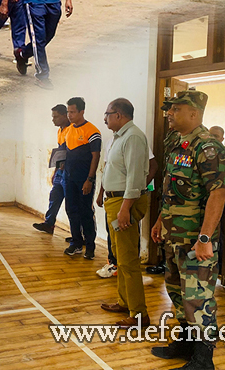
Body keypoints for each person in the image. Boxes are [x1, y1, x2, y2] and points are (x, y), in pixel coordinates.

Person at [150, 91, 225, 370]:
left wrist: (205, 239)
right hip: (173, 237)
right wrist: (160, 220)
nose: (170, 114)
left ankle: (204, 359)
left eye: (176, 109)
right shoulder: (177, 143)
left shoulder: (208, 148)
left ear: (194, 114)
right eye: (169, 109)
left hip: (196, 242)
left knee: (199, 299)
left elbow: (218, 194)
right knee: (177, 293)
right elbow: (172, 190)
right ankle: (185, 344)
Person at [98, 98, 151, 328]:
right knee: (120, 257)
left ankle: (139, 315)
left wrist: (125, 209)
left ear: (119, 115)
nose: (105, 118)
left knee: (129, 260)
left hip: (123, 202)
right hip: (115, 201)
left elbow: (135, 179)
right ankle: (124, 302)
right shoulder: (120, 137)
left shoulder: (133, 137)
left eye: (108, 114)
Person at [62, 97, 101, 259]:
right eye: (68, 112)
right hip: (68, 178)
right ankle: (76, 243)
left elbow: (95, 157)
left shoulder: (93, 132)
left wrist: (89, 180)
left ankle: (90, 247)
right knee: (71, 210)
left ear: (81, 111)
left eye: (72, 112)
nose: (69, 115)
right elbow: (65, 151)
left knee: (86, 212)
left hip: (84, 180)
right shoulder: (69, 130)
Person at [33, 104, 72, 235]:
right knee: (54, 197)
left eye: (56, 116)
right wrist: (55, 172)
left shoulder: (72, 130)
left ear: (64, 115)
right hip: (60, 172)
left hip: (70, 173)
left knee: (72, 205)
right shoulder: (60, 130)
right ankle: (49, 224)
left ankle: (79, 235)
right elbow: (60, 152)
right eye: (52, 116)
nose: (53, 119)